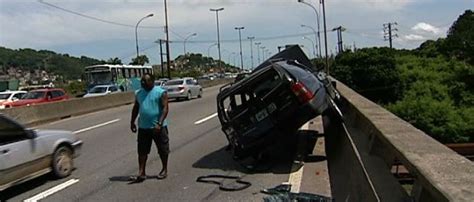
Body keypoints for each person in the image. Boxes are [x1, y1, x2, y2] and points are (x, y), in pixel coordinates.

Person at [130, 73, 169, 182]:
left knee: (163, 149)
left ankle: (164, 169)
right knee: (142, 151)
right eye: (142, 81)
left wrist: (159, 123)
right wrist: (132, 122)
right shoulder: (139, 93)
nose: (142, 83)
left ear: (152, 81)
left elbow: (165, 109)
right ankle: (141, 172)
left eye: (145, 81)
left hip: (158, 127)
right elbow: (136, 108)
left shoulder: (160, 92)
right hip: (143, 127)